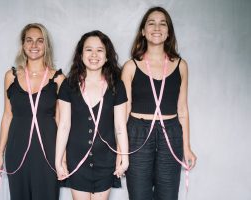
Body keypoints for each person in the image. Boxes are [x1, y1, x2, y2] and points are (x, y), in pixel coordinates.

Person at [122, 7, 197, 200]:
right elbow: (124, 111)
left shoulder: (181, 65)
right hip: (138, 133)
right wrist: (121, 150)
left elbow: (182, 109)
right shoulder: (130, 66)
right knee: (139, 195)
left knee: (168, 195)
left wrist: (187, 147)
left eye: (162, 23)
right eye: (151, 23)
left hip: (170, 133)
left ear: (168, 31)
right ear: (143, 31)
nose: (157, 27)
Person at [0, 23, 64, 200]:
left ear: (46, 45)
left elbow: (62, 122)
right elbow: (7, 115)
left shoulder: (58, 78)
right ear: (23, 45)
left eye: (40, 41)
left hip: (48, 149)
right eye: (29, 40)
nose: (34, 45)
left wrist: (63, 157)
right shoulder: (11, 76)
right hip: (17, 148)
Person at [55, 30, 129, 200]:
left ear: (107, 55)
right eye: (89, 49)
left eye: (100, 50)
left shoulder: (117, 85)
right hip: (77, 159)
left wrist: (124, 158)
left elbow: (120, 126)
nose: (94, 55)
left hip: (105, 160)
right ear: (81, 54)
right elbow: (64, 125)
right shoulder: (69, 84)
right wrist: (58, 160)